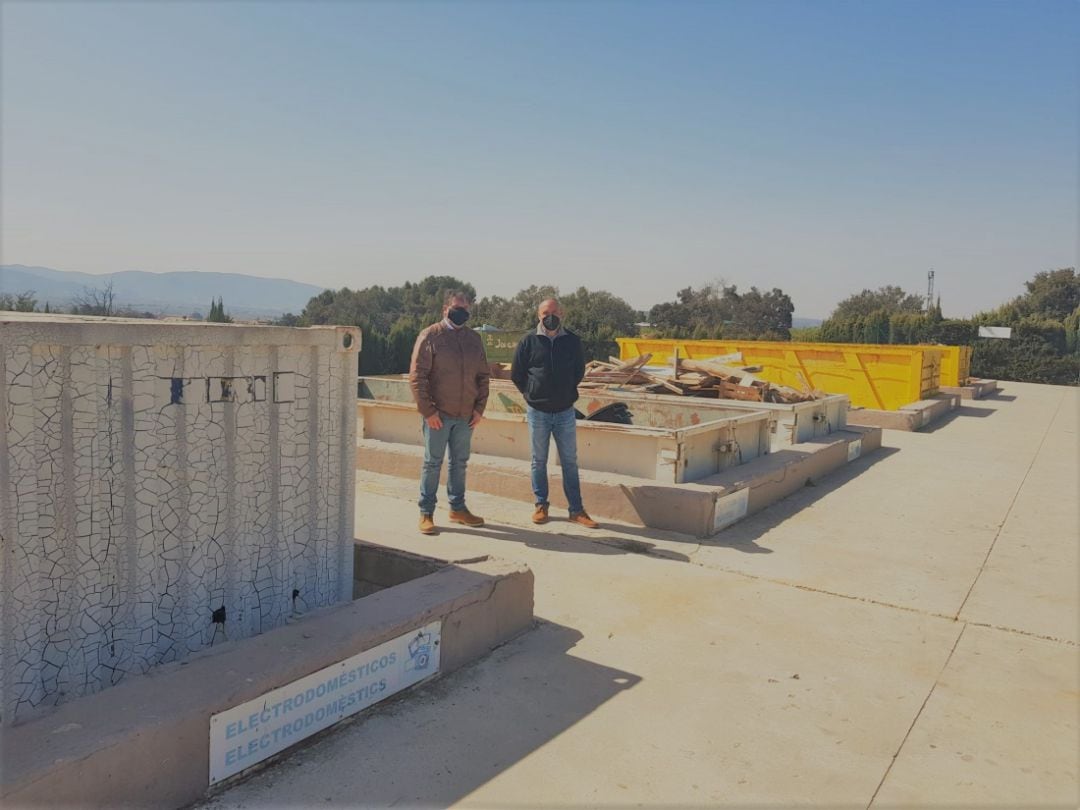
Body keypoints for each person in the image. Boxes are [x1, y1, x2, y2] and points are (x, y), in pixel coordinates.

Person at [510, 298, 599, 528]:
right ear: (538, 316)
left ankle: (576, 510)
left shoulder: (572, 341)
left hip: (565, 413)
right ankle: (541, 505)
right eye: (545, 313)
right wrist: (531, 394)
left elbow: (578, 372)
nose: (550, 316)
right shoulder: (528, 341)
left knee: (570, 461)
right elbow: (517, 374)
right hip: (537, 412)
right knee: (538, 461)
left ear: (562, 314)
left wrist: (566, 392)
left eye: (554, 312)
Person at [408, 291, 490, 535]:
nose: (461, 312)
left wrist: (479, 409)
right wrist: (428, 411)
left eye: (465, 308)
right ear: (445, 309)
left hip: (466, 416)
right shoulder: (430, 336)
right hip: (438, 416)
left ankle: (458, 508)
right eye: (457, 307)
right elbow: (417, 377)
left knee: (460, 463)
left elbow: (483, 377)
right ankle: (426, 513)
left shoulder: (474, 339)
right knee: (432, 463)